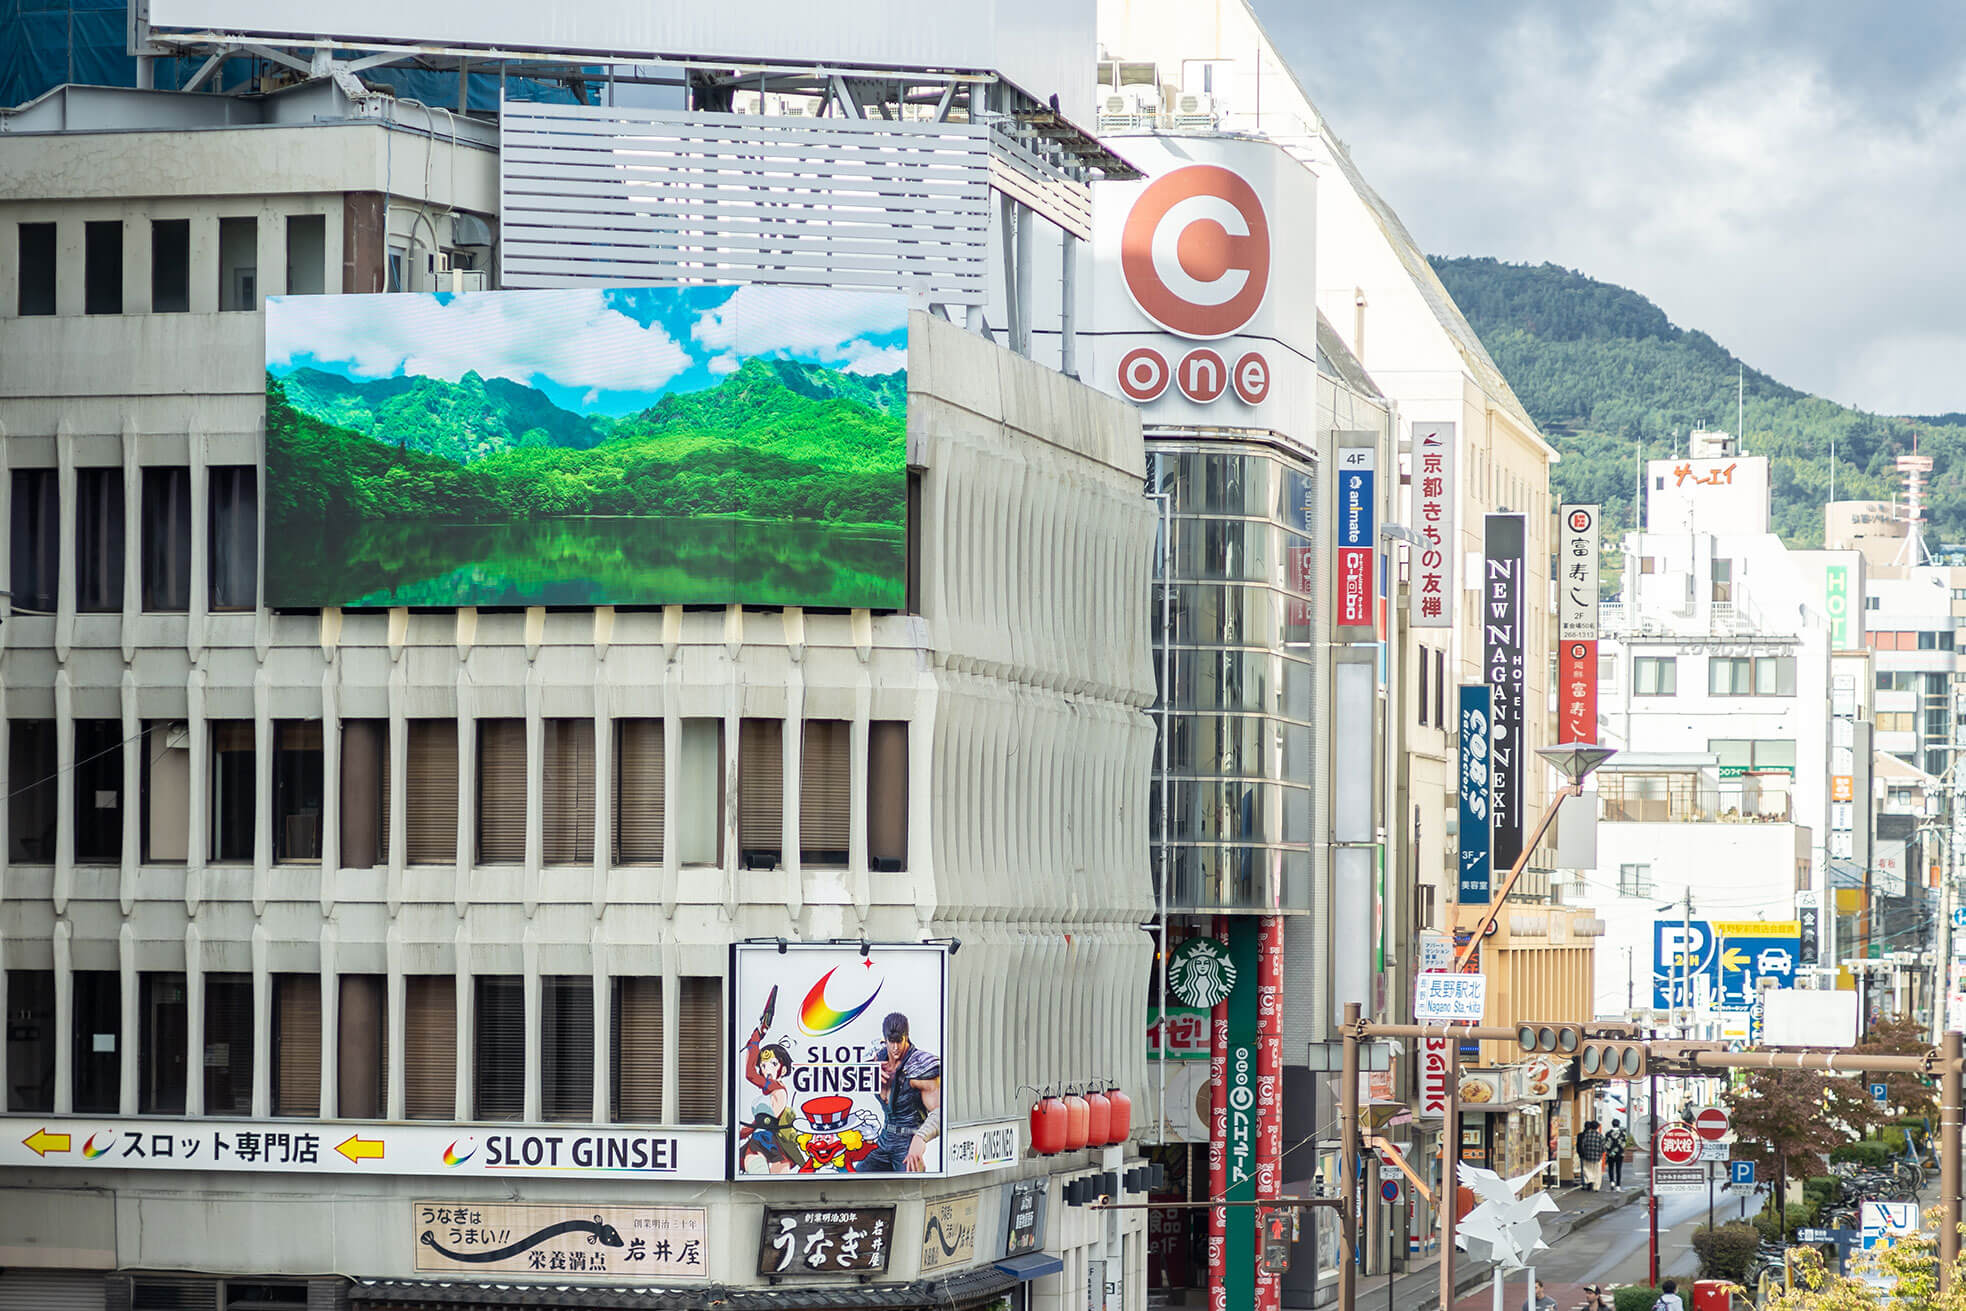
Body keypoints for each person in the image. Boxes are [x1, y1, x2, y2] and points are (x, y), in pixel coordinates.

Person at [859, 1011, 942, 1172]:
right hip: (885, 1139)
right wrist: (867, 1073)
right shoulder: (877, 1060)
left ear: (907, 1037)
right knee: (855, 1179)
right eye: (891, 1042)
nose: (896, 1047)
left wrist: (920, 1138)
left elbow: (940, 1110)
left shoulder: (920, 1066)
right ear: (885, 1040)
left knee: (910, 1189)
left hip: (908, 1141)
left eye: (900, 1041)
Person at [1576, 1119, 1605, 1191]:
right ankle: (1596, 1187)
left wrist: (1585, 1152)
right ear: (1597, 1127)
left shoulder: (1586, 1135)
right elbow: (1604, 1147)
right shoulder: (1600, 1136)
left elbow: (1583, 1145)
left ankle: (1590, 1181)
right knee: (1597, 1172)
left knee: (1587, 1170)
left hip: (1587, 1156)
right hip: (1597, 1157)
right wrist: (1600, 1152)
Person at [1604, 1119, 1627, 1189]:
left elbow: (1606, 1145)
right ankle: (1618, 1185)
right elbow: (1624, 1144)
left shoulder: (1608, 1133)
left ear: (1612, 1124)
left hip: (1611, 1154)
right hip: (1619, 1154)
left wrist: (1609, 1151)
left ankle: (1612, 1182)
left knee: (1610, 1168)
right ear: (1619, 1124)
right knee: (1618, 1169)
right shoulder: (1623, 1134)